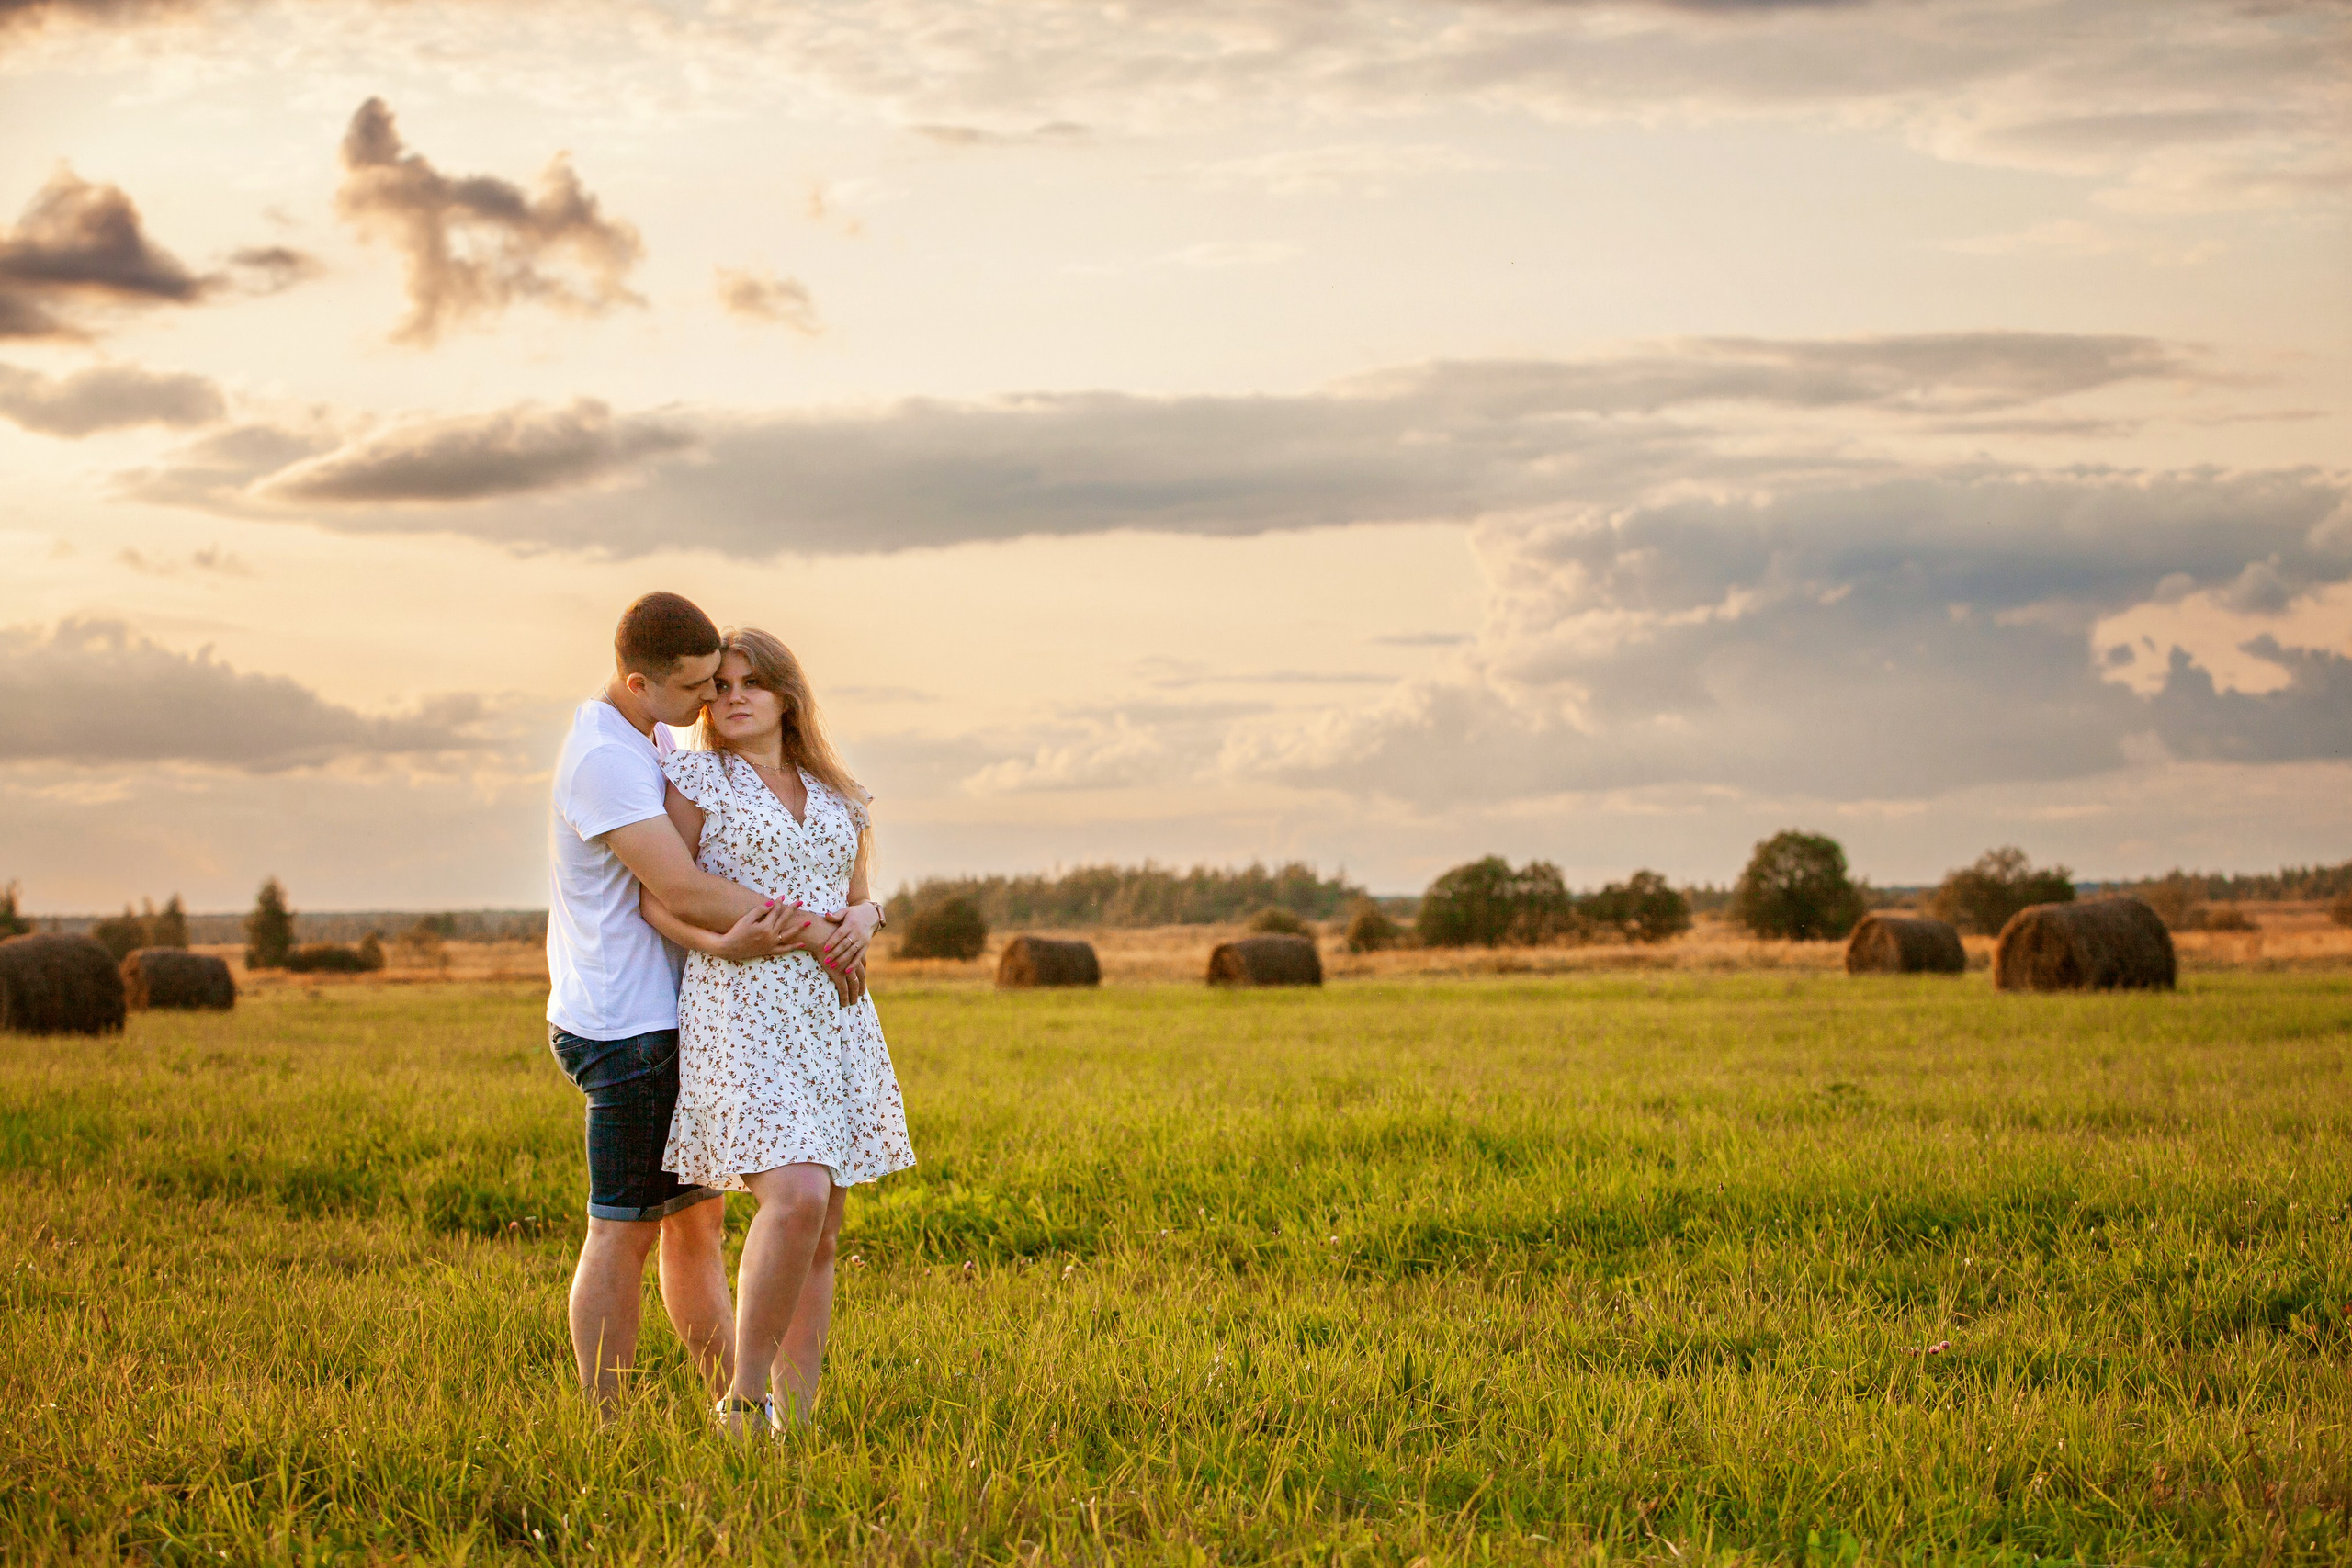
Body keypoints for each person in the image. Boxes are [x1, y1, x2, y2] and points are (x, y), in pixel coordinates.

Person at [545, 592, 861, 1409]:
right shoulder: (609, 761)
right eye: (697, 688)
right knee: (622, 1230)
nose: (709, 705)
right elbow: (679, 886)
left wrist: (860, 912)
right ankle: (604, 1424)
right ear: (640, 681)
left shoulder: (644, 737)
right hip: (629, 1023)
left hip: (675, 1012)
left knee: (694, 1230)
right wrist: (819, 934)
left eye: (726, 684)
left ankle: (739, 1405)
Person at [638, 626, 915, 1436]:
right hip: (742, 1004)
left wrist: (868, 918)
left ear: (787, 694)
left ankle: (796, 1414)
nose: (731, 698)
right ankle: (745, 1398)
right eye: (719, 687)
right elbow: (663, 895)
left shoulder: (837, 791)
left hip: (833, 1015)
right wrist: (720, 941)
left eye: (749, 683)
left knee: (823, 1220)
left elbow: (862, 893)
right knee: (792, 1195)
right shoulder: (694, 779)